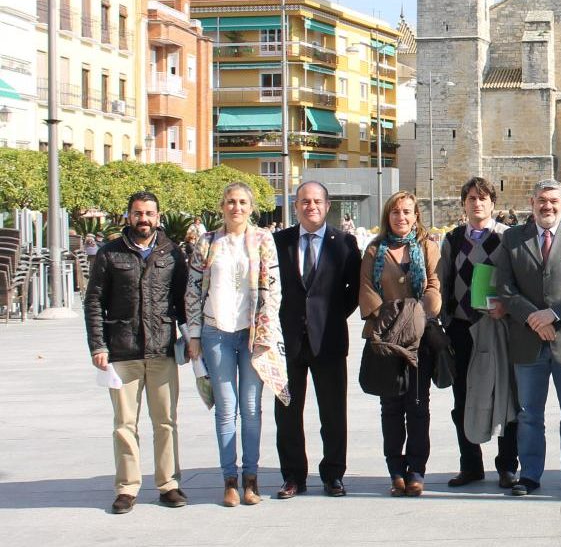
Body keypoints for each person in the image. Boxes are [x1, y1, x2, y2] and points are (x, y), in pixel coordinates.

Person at [84, 191, 189, 514]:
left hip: (162, 349)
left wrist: (191, 339)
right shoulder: (110, 253)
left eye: (149, 213)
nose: (143, 219)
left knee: (166, 422)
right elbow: (94, 301)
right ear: (128, 216)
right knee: (124, 424)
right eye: (138, 213)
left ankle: (168, 484)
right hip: (122, 350)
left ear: (158, 216)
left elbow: (183, 301)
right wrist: (98, 345)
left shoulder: (172, 253)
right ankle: (127, 488)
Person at [495, 179, 561, 496]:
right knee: (529, 413)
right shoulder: (512, 238)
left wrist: (553, 315)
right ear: (532, 203)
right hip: (527, 340)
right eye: (542, 200)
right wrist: (533, 317)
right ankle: (529, 474)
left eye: (554, 201)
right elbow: (505, 288)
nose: (547, 206)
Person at [187, 182, 288, 508]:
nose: (236, 208)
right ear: (222, 206)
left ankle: (251, 478)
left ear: (251, 207)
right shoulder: (207, 242)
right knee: (226, 408)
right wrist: (194, 334)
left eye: (243, 202)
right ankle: (229, 479)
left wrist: (266, 330)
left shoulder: (263, 240)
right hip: (216, 332)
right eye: (231, 201)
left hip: (252, 333)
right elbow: (192, 290)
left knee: (252, 408)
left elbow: (274, 289)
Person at [271, 181, 361, 499]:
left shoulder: (344, 243)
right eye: (305, 201)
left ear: (327, 205)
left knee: (333, 413)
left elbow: (354, 290)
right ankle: (293, 476)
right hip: (287, 342)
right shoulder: (278, 242)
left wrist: (331, 316)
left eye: (317, 201)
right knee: (287, 413)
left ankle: (333, 475)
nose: (311, 206)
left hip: (329, 340)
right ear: (296, 206)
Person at [359, 191, 442, 497]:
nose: (401, 217)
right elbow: (367, 289)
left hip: (419, 340)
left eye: (407, 211)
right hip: (385, 340)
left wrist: (417, 315)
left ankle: (416, 470)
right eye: (395, 212)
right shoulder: (374, 250)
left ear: (416, 215)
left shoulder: (428, 246)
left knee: (418, 405)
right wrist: (392, 319)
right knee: (391, 407)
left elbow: (434, 285)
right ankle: (396, 470)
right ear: (388, 216)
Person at [437, 178, 519, 490]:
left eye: (483, 198)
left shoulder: (507, 237)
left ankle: (507, 466)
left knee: (505, 396)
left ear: (493, 203)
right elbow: (444, 280)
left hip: (498, 327)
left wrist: (507, 308)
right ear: (464, 203)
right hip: (462, 328)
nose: (477, 203)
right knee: (462, 398)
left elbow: (518, 280)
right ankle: (470, 465)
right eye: (471, 198)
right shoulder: (453, 238)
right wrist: (445, 322)